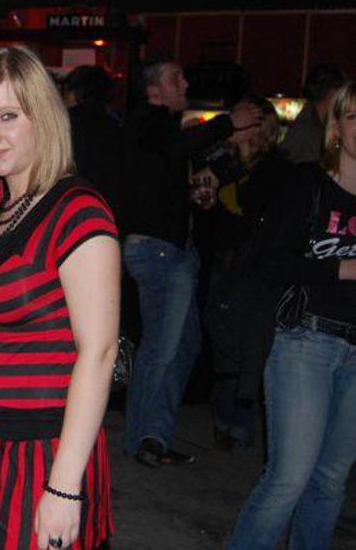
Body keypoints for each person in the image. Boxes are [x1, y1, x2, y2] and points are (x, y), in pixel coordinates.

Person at [0, 45, 119, 550]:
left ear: (42, 116)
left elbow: (100, 351)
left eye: (8, 115)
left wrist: (63, 487)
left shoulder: (77, 210)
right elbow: (0, 316)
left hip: (47, 448)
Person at [225, 82, 356, 550]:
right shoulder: (307, 184)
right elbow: (267, 260)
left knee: (330, 480)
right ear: (336, 127)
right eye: (354, 117)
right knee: (289, 477)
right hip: (307, 340)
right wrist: (342, 268)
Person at [120, 52, 262, 467]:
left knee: (183, 346)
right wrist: (227, 122)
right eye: (176, 77)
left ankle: (153, 436)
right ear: (154, 90)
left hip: (172, 250)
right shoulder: (148, 122)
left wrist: (203, 187)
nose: (185, 84)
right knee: (162, 348)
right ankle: (142, 440)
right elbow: (172, 148)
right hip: (159, 251)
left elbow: (170, 172)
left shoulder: (163, 131)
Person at [204, 97, 293, 451]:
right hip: (224, 263)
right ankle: (225, 420)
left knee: (249, 345)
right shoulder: (223, 163)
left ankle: (238, 426)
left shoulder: (276, 168)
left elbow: (261, 214)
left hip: (256, 269)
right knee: (223, 341)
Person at [63, 65, 122, 213]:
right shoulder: (116, 128)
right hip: (106, 209)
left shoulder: (62, 125)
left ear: (72, 93)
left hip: (69, 207)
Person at [279, 63, 349, 165]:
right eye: (343, 93)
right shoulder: (305, 130)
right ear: (333, 93)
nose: (345, 98)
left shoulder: (313, 121)